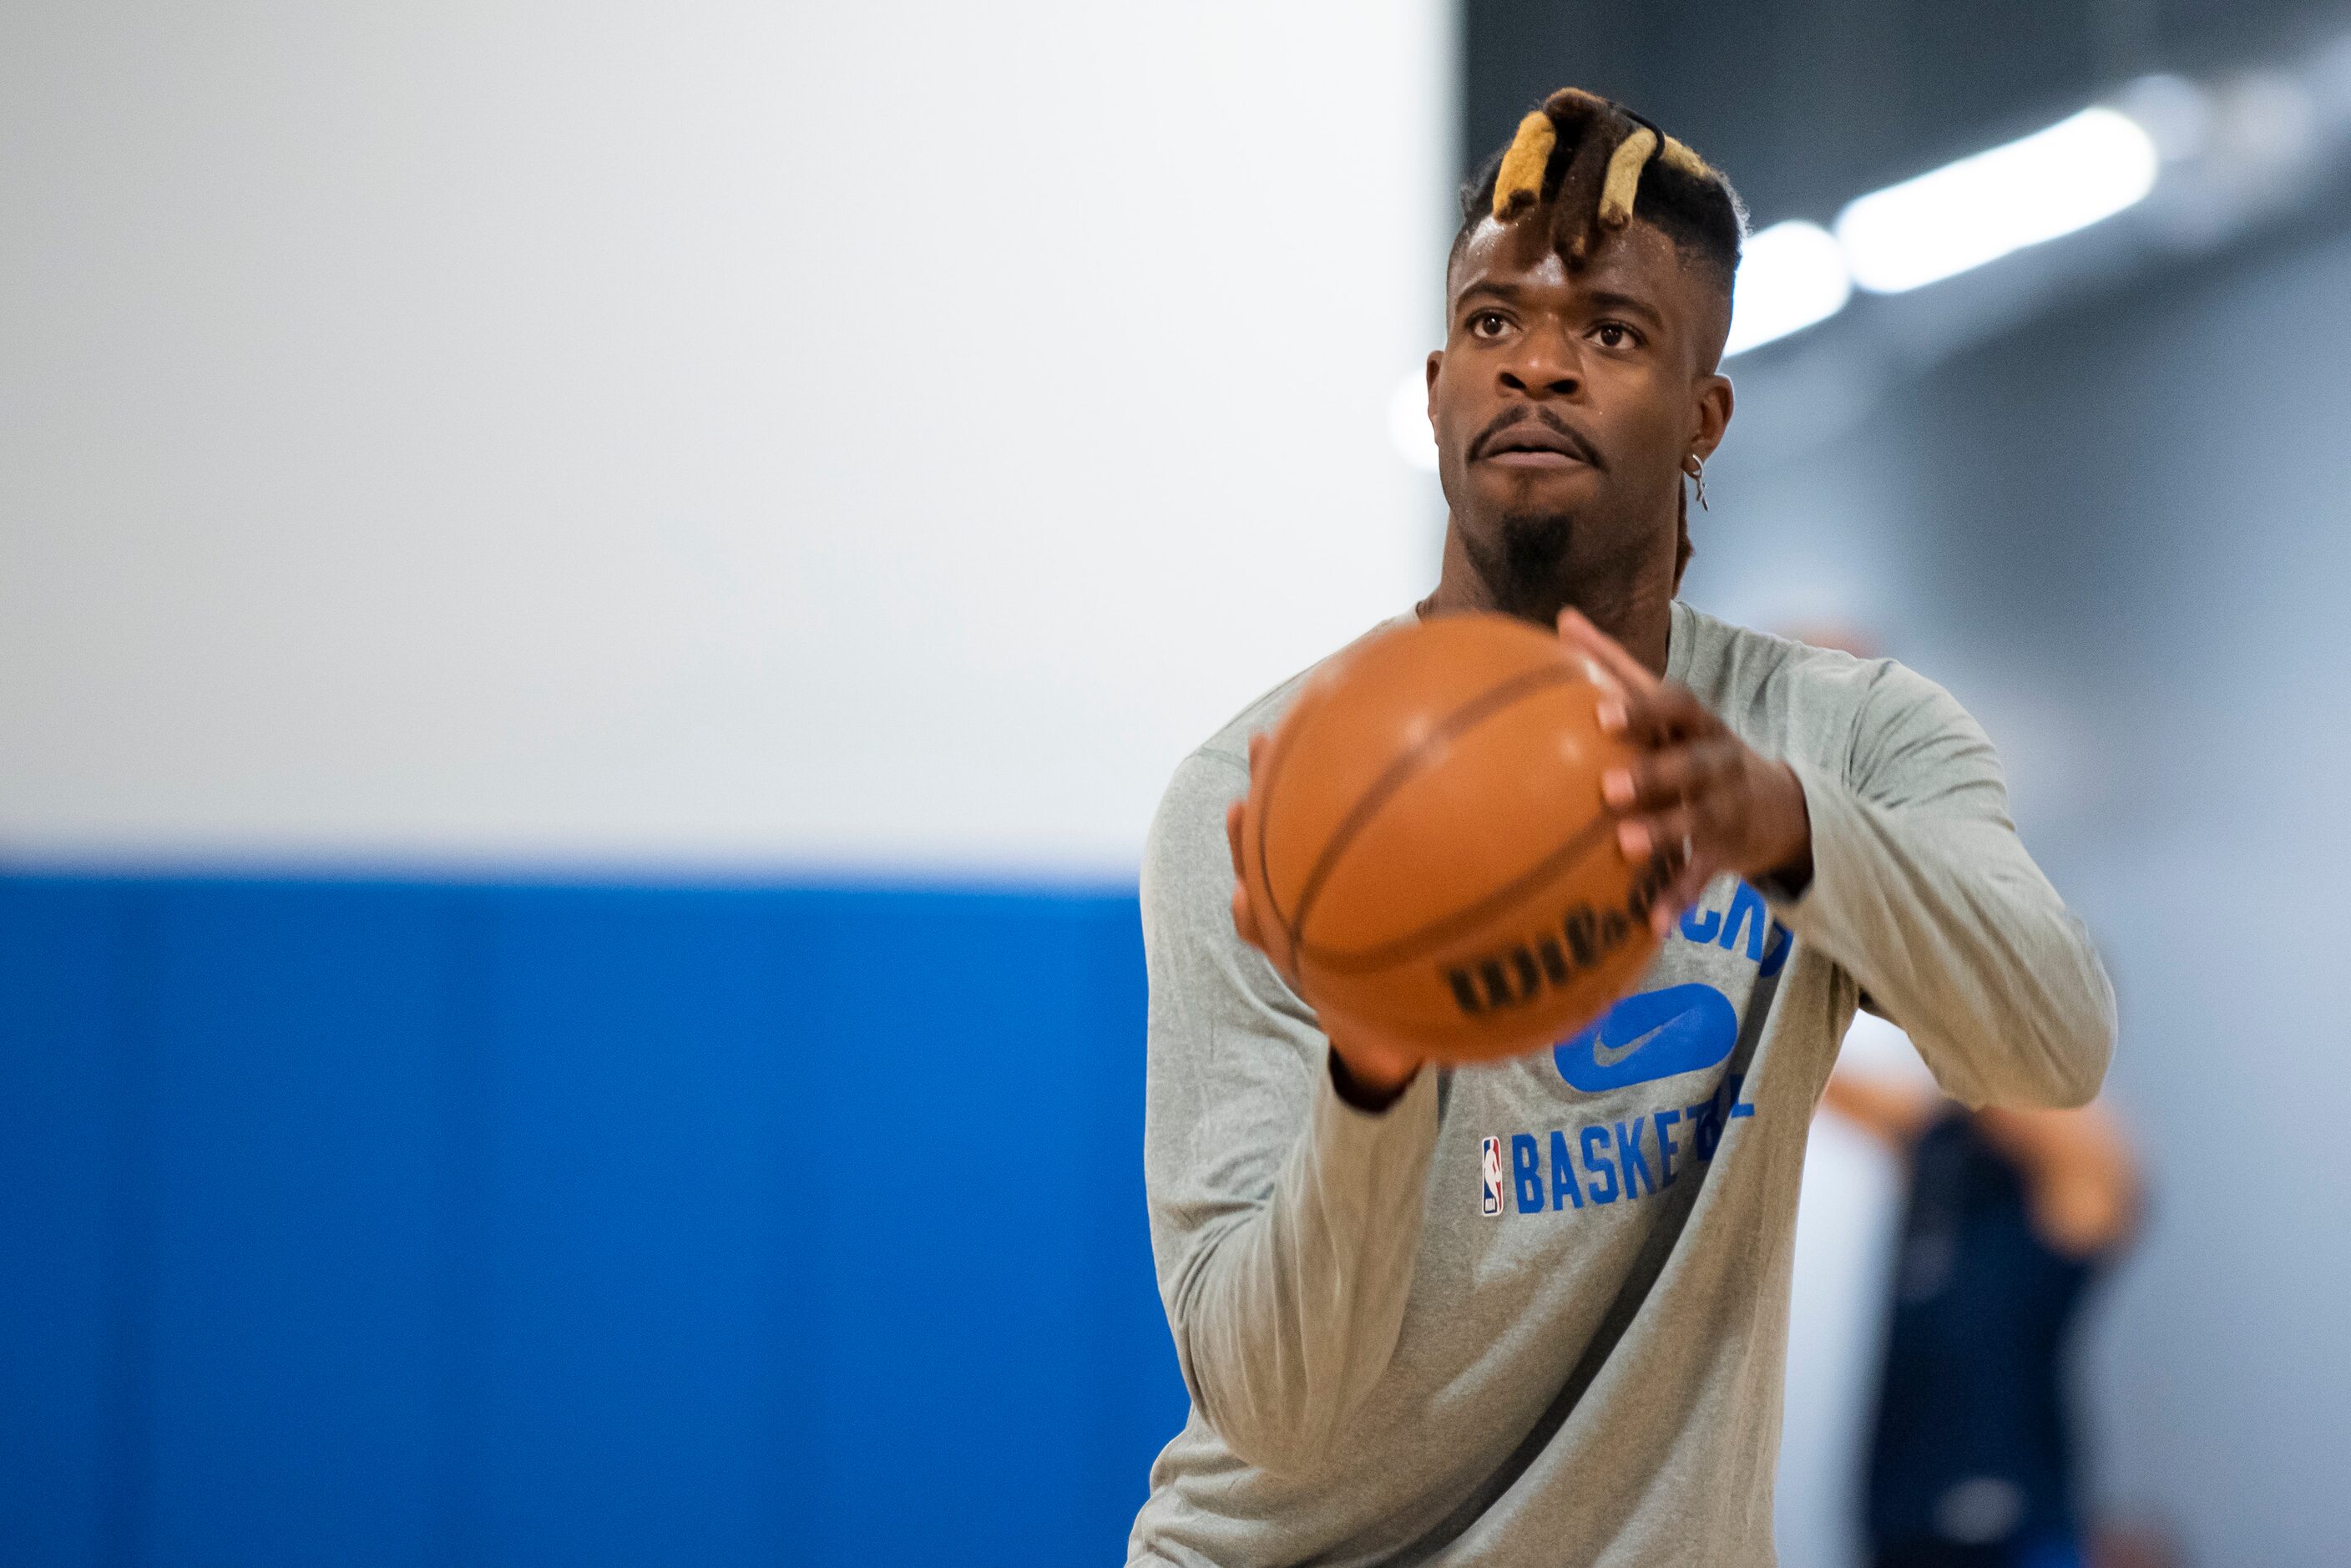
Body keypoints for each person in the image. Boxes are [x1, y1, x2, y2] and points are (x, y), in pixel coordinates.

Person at [1128, 87, 2116, 1566]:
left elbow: (2051, 1041)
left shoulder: (1839, 737)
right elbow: (1273, 1400)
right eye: (1489, 322)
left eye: (1611, 331)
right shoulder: (1260, 801)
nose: (1536, 362)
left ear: (1704, 414)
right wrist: (1377, 1061)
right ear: (1438, 388)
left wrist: (1783, 828)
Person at [1820, 1065, 2141, 1568]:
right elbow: (1816, 1075)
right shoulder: (1940, 1140)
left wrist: (1962, 1018)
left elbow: (2046, 1091)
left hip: (2012, 1526)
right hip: (1898, 1521)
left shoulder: (2077, 1163)